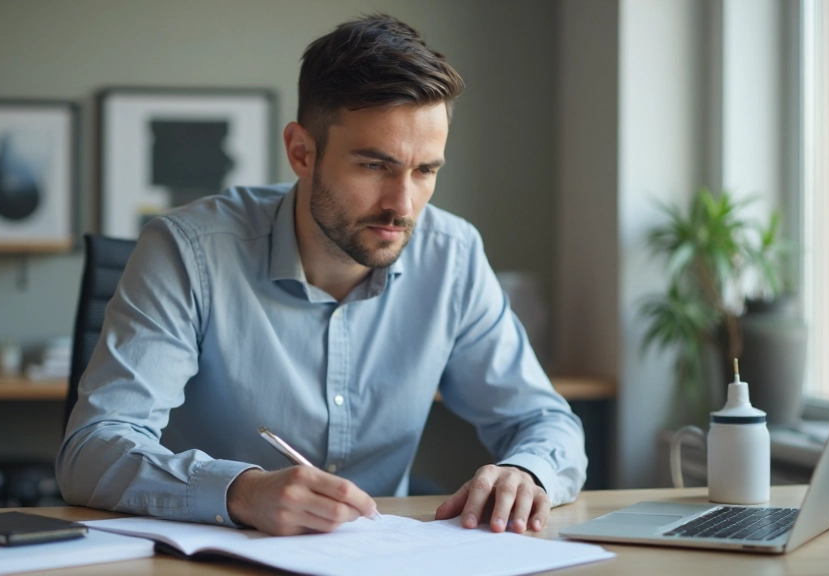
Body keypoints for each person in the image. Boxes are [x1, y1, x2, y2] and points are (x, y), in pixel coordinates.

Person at [57, 14, 587, 537]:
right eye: (374, 165)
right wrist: (240, 492)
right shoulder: (186, 251)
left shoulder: (454, 256)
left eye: (425, 170)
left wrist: (528, 471)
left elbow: (546, 422)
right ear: (301, 152)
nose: (402, 205)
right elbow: (93, 449)